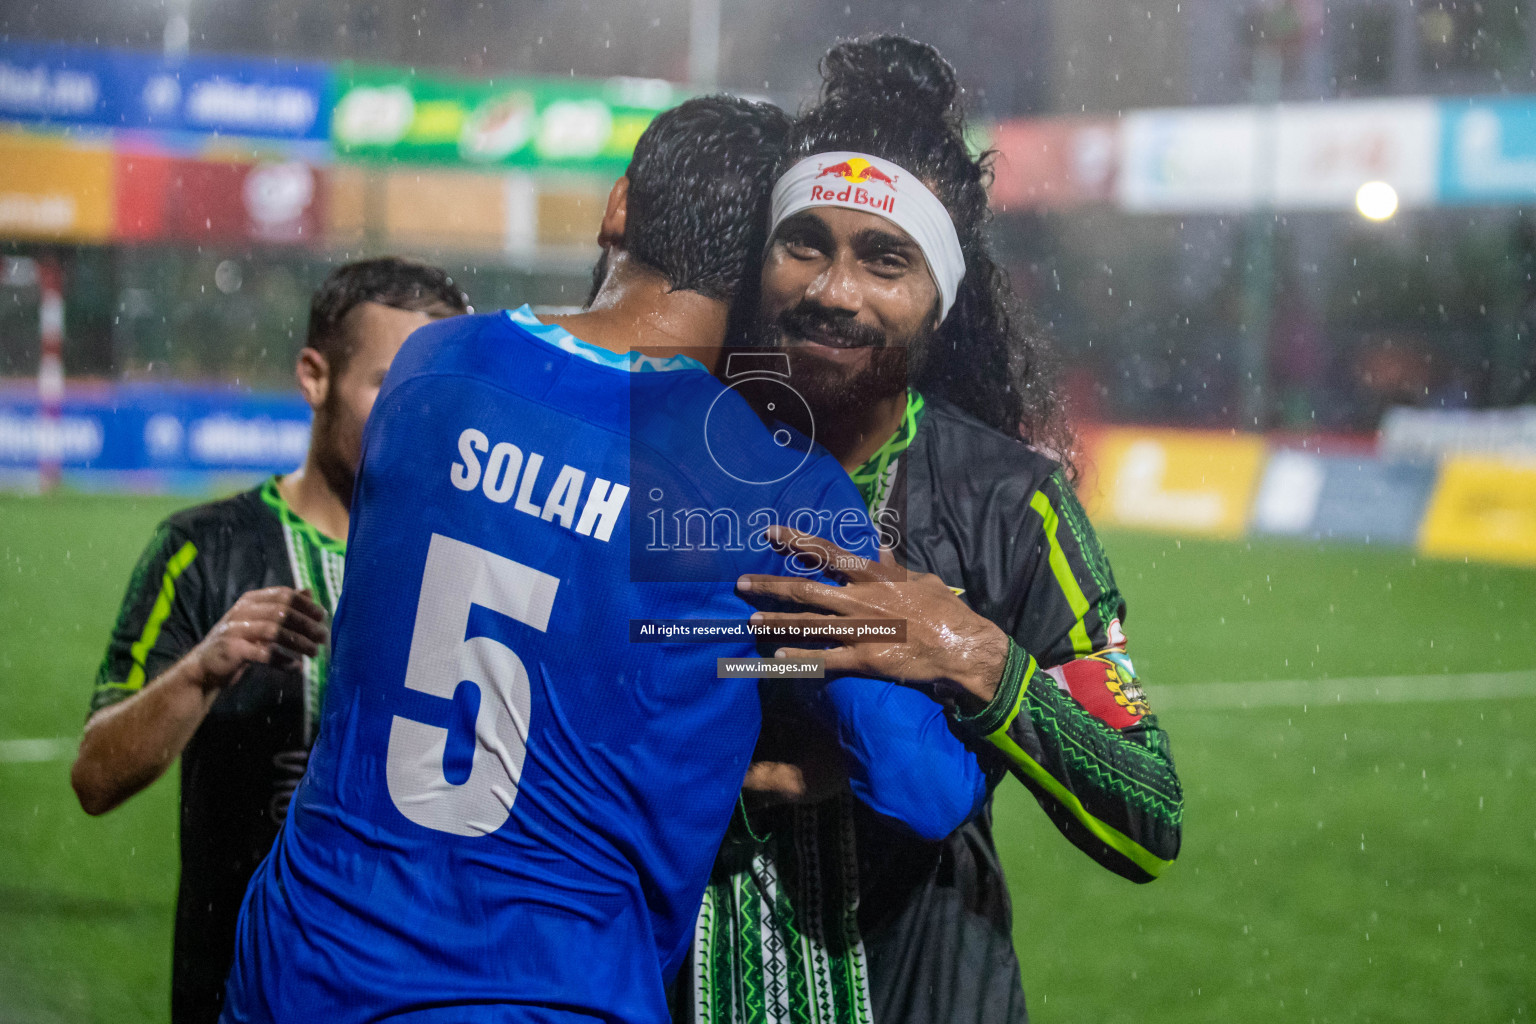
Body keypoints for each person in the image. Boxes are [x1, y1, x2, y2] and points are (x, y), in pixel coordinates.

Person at [222, 95, 988, 1024]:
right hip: (539, 992)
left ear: (618, 207)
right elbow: (921, 790)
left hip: (300, 958)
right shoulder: (777, 488)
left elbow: (533, 558)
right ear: (758, 277)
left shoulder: (432, 367)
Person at [679, 37, 1184, 1024]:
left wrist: (972, 657)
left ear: (939, 302)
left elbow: (1148, 817)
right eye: (805, 243)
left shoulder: (1010, 503)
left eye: (885, 259)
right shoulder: (665, 454)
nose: (834, 290)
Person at [68, 257, 470, 1024]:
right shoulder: (203, 548)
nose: (417, 418)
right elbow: (95, 779)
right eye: (388, 386)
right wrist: (202, 671)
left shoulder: (469, 560)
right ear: (315, 376)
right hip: (239, 987)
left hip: (412, 989)